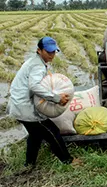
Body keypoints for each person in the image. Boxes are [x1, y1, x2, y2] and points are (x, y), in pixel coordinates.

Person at [7, 37, 80, 167]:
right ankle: (68, 161)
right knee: (53, 132)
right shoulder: (37, 66)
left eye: (54, 52)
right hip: (25, 108)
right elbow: (34, 86)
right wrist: (57, 98)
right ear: (39, 50)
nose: (52, 55)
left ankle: (29, 164)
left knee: (35, 135)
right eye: (48, 52)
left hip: (19, 105)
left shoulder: (35, 62)